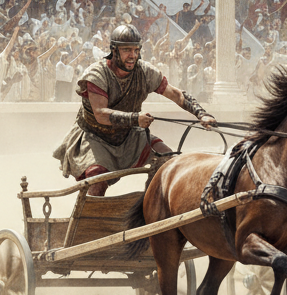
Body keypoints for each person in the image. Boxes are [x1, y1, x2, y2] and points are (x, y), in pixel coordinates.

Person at [52, 25, 216, 197]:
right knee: (97, 180)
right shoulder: (97, 74)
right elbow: (100, 114)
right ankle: (86, 222)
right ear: (114, 50)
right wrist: (135, 118)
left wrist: (201, 113)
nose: (133, 55)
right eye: (127, 50)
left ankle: (152, 206)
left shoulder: (145, 72)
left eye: (136, 50)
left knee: (167, 160)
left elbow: (176, 94)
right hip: (95, 139)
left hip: (129, 135)